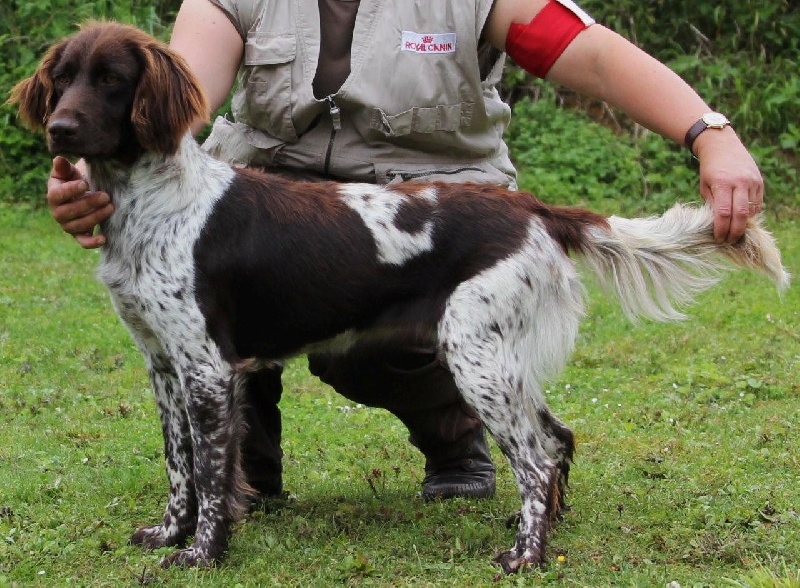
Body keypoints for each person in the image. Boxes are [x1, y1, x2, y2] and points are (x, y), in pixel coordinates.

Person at [44, 0, 764, 502]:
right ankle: (241, 476)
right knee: (223, 275)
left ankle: (456, 438)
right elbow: (173, 108)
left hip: (438, 225)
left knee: (358, 344)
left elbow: (598, 59)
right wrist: (84, 174)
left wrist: (711, 132)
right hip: (270, 213)